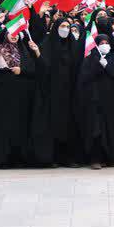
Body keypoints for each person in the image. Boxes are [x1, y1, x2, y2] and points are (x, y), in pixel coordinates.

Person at [0, 15, 41, 168]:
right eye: (11, 32)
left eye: (17, 33)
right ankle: (4, 158)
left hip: (21, 95)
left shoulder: (24, 50)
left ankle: (21, 157)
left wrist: (21, 71)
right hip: (2, 94)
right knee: (4, 126)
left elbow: (33, 69)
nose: (14, 35)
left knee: (21, 125)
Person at [34, 18, 81, 167]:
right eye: (62, 26)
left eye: (68, 26)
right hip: (52, 92)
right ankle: (52, 157)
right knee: (53, 125)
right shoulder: (47, 45)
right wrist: (37, 54)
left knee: (69, 125)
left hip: (69, 92)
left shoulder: (73, 45)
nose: (66, 29)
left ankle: (68, 157)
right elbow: (43, 68)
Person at [76, 34, 114, 169]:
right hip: (95, 101)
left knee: (111, 130)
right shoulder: (90, 59)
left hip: (111, 101)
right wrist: (98, 67)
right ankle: (95, 159)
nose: (104, 45)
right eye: (101, 42)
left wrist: (107, 66)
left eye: (106, 42)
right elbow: (84, 78)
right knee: (96, 131)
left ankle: (111, 158)